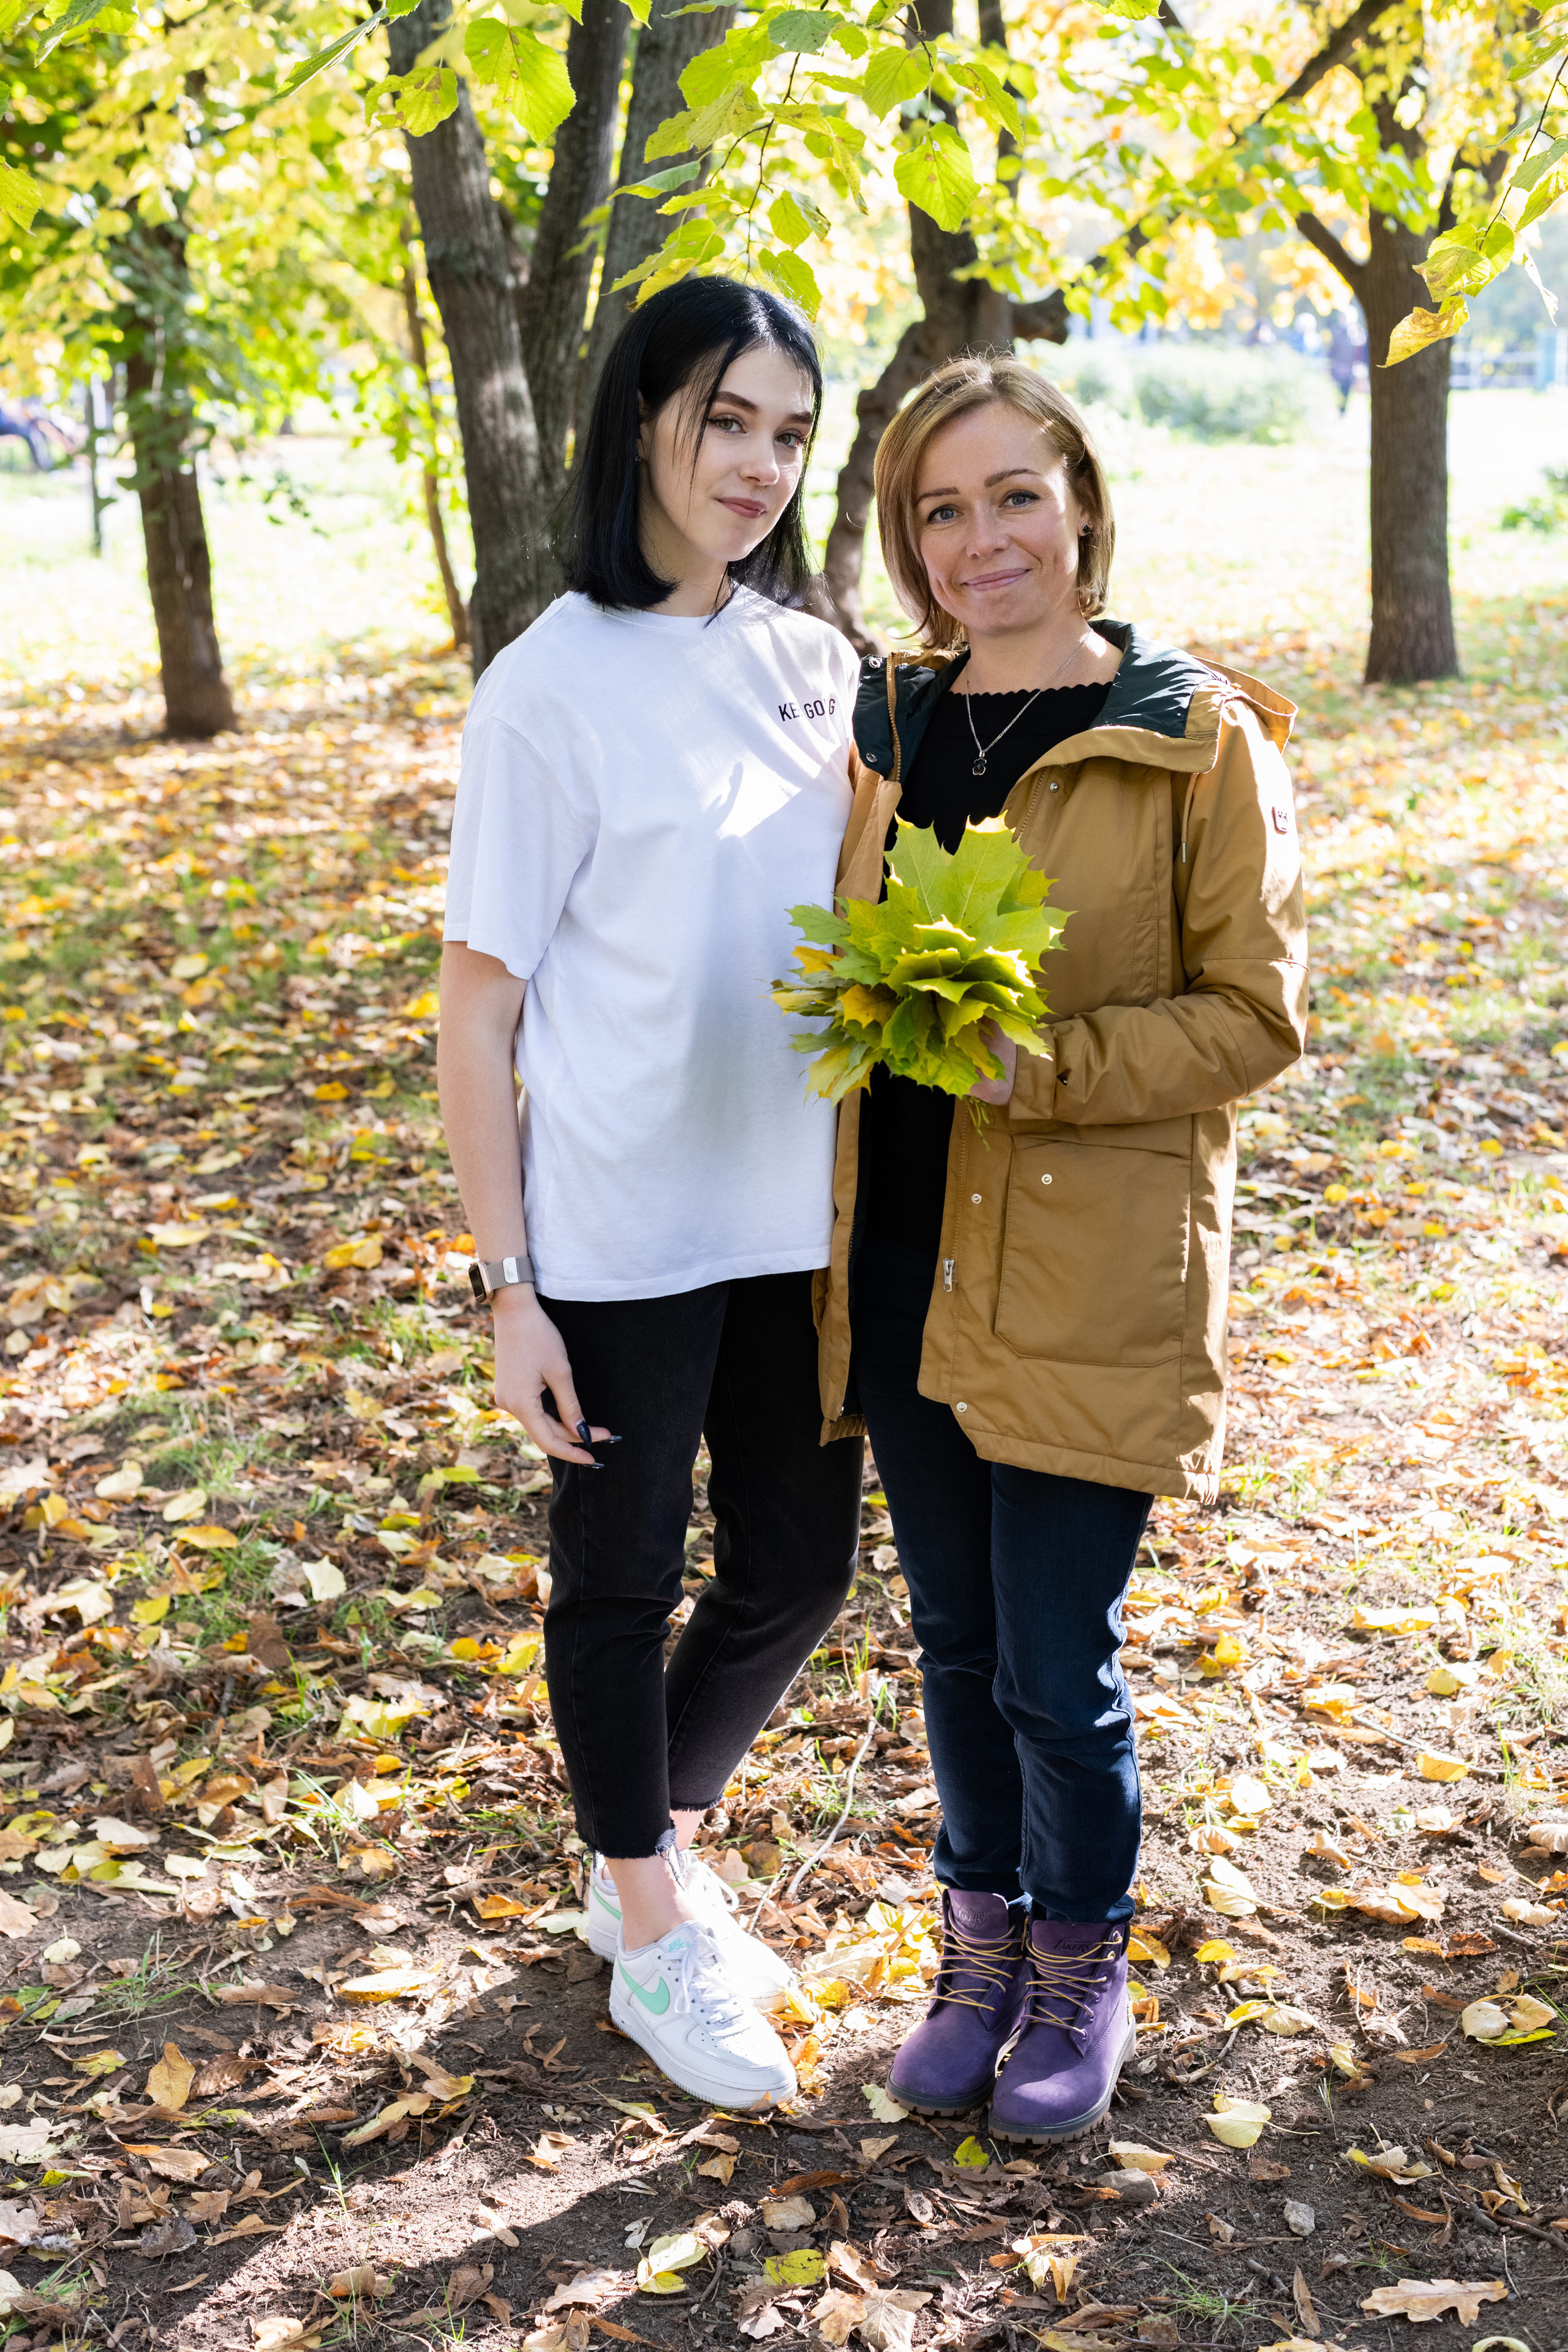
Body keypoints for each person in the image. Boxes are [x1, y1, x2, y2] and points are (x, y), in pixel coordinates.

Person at [816, 355, 1308, 2142]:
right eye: (940, 509)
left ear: (1084, 502)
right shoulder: (880, 725)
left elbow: (1257, 1016)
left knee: (1054, 1657)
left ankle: (1081, 1962)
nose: (980, 538)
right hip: (903, 1268)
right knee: (951, 1643)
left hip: (1093, 1269)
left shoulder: (1194, 737)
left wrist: (1059, 1067)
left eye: (1014, 494)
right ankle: (976, 1947)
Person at [437, 277, 865, 2111]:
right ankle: (654, 1929)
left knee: (797, 1571)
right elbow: (478, 1010)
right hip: (614, 1226)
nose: (758, 463)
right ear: (641, 424)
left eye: (789, 430)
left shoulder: (811, 659)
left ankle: (652, 1862)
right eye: (726, 420)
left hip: (799, 1212)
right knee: (617, 1588)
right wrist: (506, 1283)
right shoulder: (545, 688)